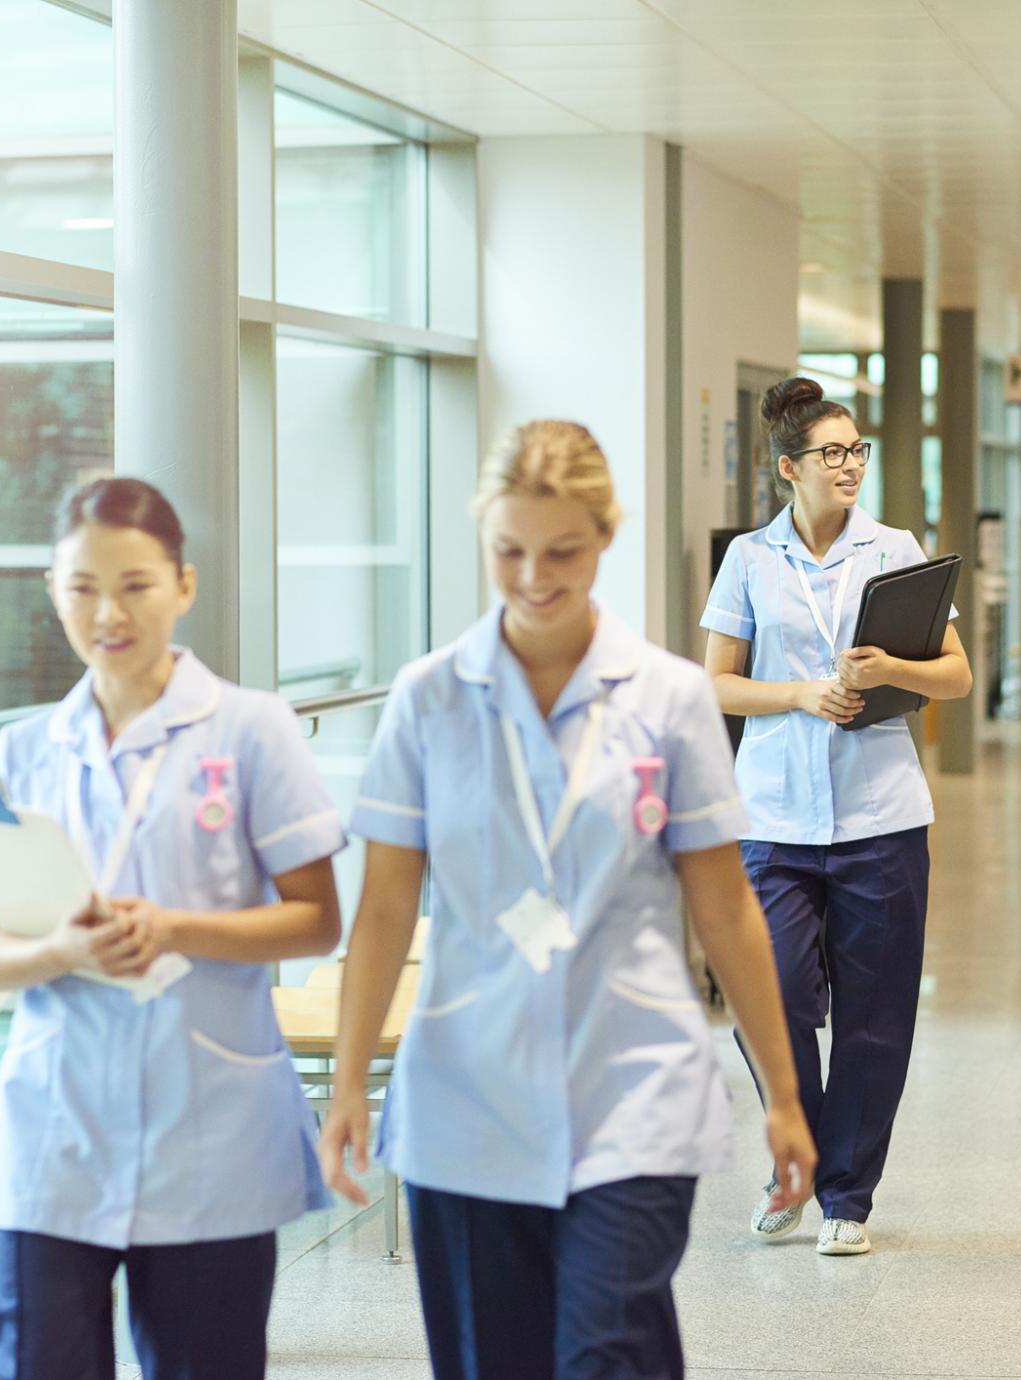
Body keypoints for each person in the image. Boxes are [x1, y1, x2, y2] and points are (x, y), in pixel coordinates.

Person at [317, 420, 814, 1380]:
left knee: (605, 1352)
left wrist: (786, 1097)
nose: (534, 576)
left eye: (562, 552)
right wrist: (345, 1087)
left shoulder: (668, 698)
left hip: (631, 1086)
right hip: (467, 1095)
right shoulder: (429, 699)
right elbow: (383, 910)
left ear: (605, 537)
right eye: (508, 551)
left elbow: (724, 911)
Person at [0, 478, 346, 1379]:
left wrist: (174, 928)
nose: (107, 612)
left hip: (205, 1127)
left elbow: (316, 920)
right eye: (80, 586)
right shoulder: (21, 751)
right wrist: (63, 952)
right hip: (57, 1132)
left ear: (184, 585)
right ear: (52, 592)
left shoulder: (253, 731)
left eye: (134, 584)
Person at [699, 377, 973, 1256]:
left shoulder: (896, 550)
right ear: (790, 468)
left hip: (880, 814)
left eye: (858, 451)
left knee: (875, 1013)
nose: (850, 465)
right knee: (767, 995)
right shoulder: (749, 558)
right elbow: (714, 681)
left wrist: (890, 665)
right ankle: (801, 1158)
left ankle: (846, 1196)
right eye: (832, 453)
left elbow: (957, 676)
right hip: (773, 816)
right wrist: (801, 695)